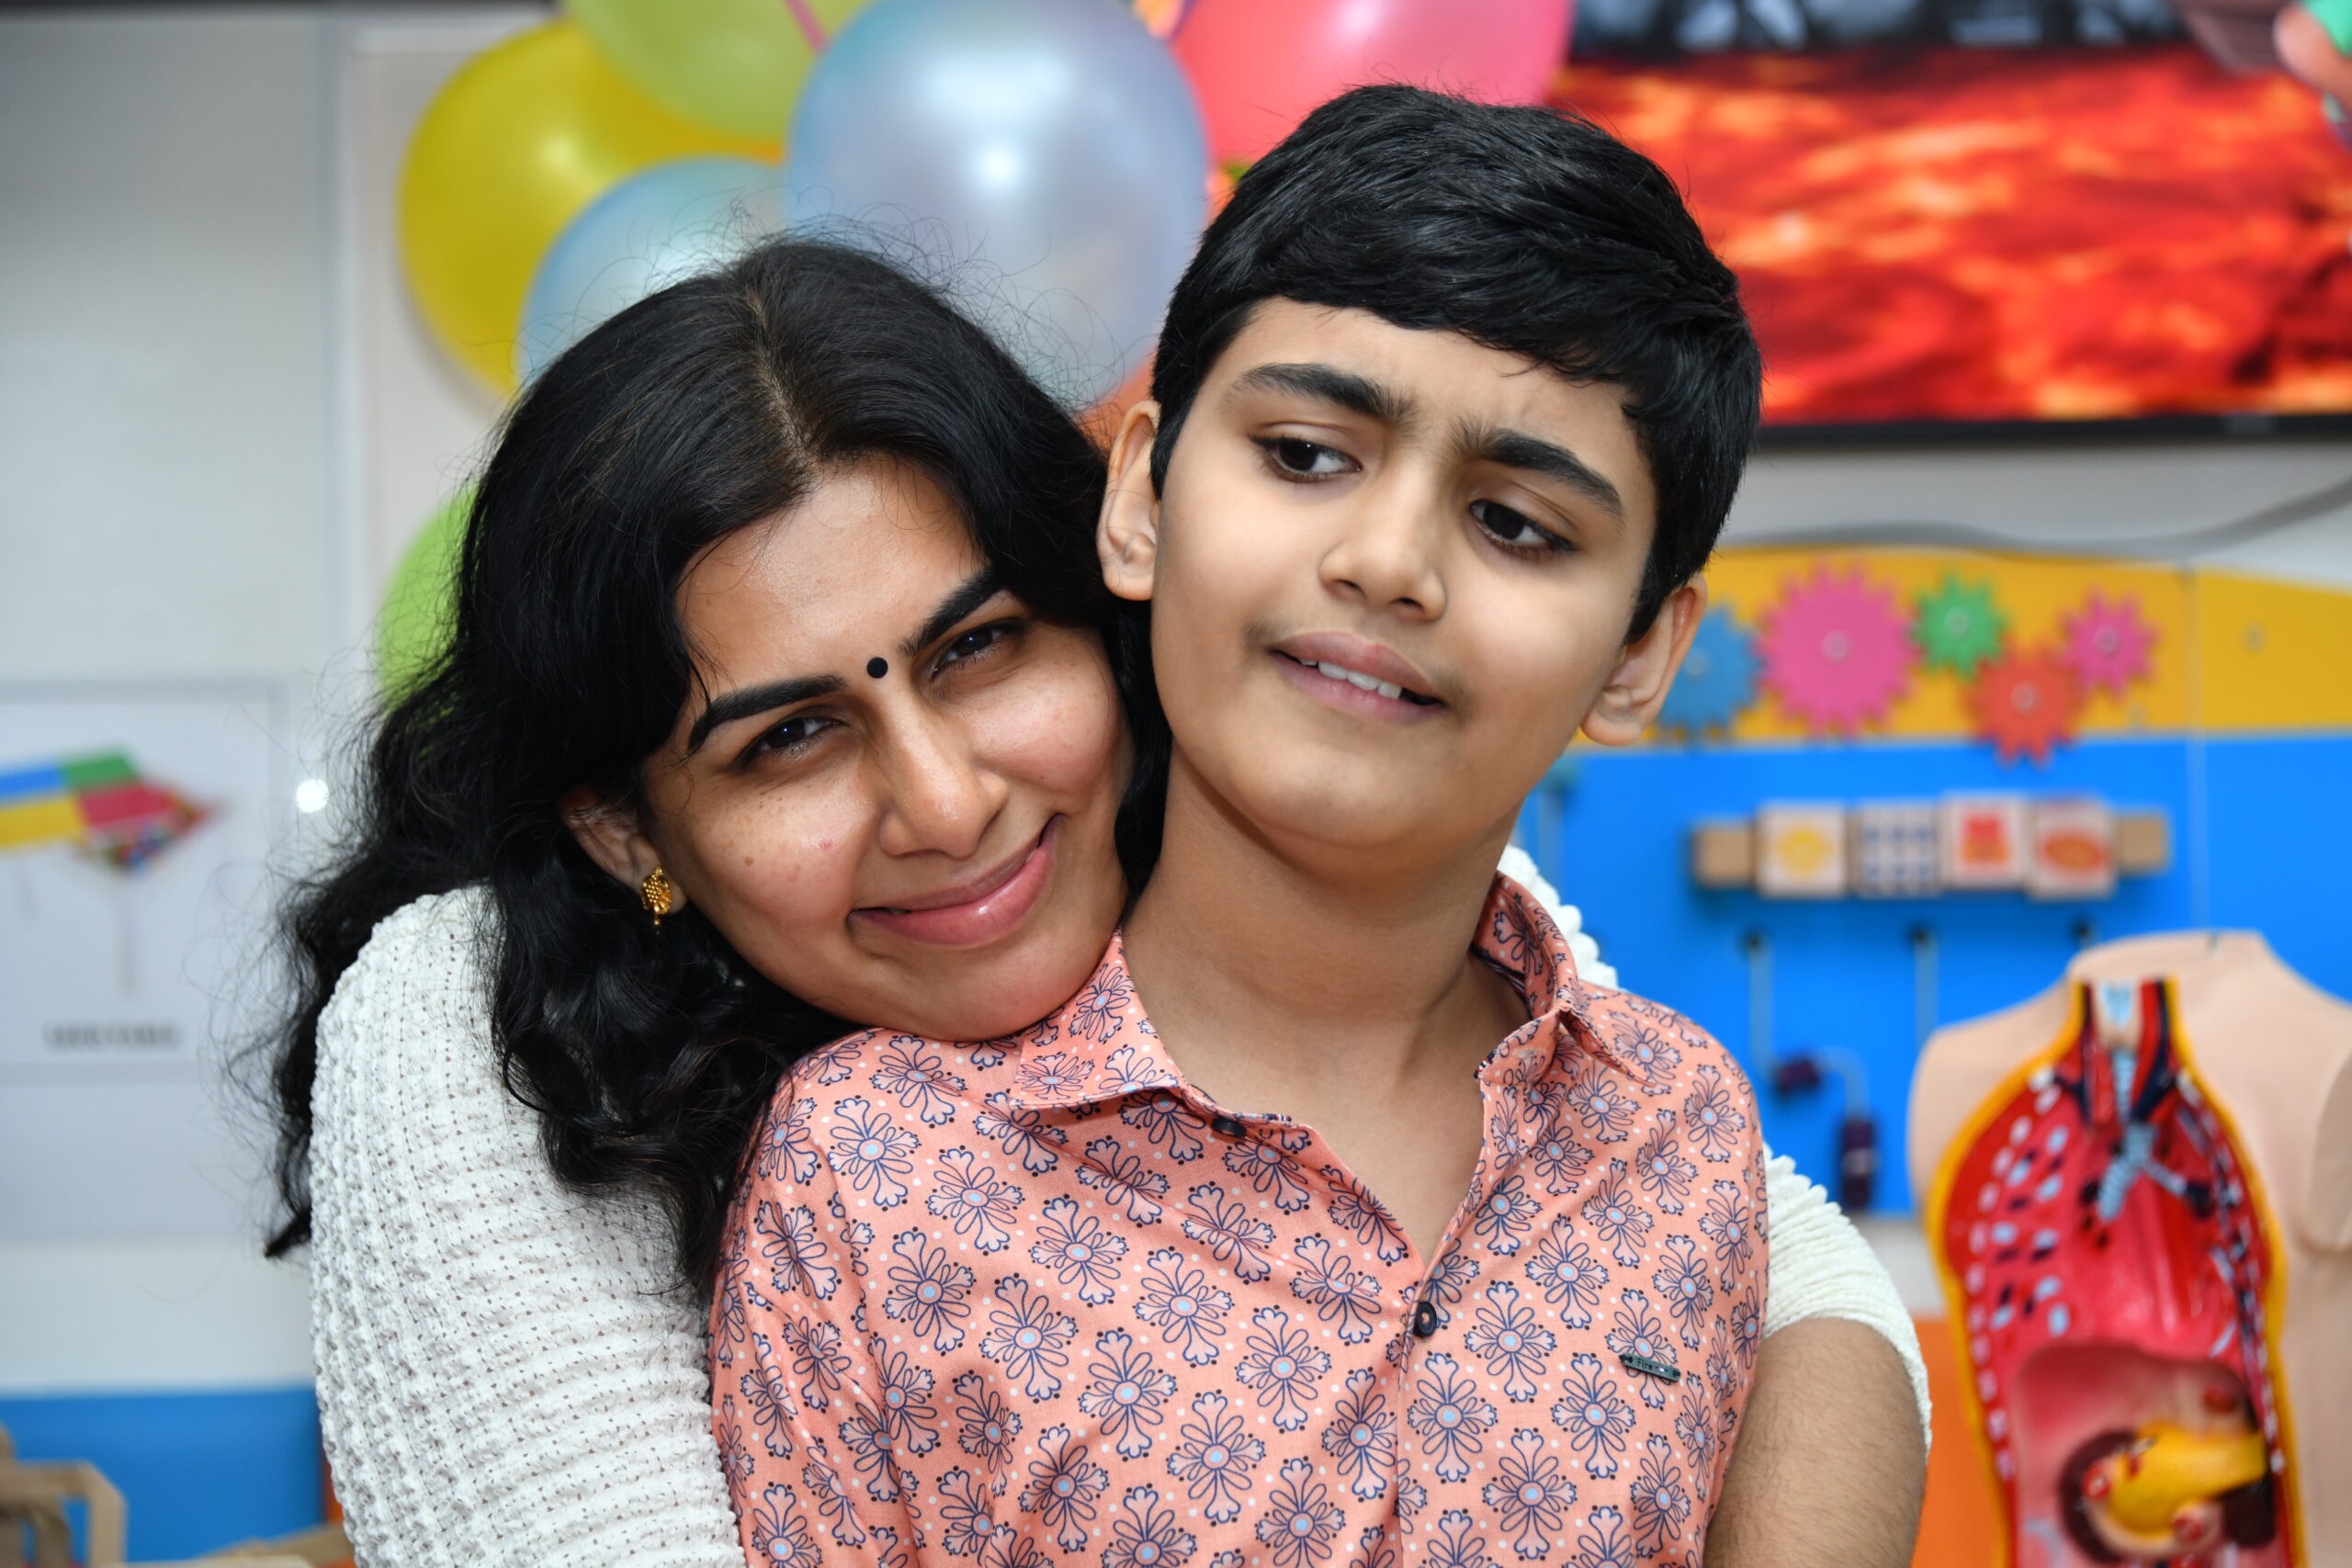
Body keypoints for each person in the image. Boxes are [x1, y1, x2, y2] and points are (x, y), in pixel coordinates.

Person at [272, 240, 1924, 1568]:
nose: (948, 803)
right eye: (788, 740)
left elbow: (1770, 1254)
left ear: (1115, 589)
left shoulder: (1314, 819)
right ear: (624, 825)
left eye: (980, 649)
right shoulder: (469, 1029)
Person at [708, 89, 1921, 1568]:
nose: (1387, 561)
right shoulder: (875, 1170)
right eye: (1303, 454)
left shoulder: (1675, 1129)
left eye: (1517, 524)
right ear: (1142, 496)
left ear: (1638, 658)